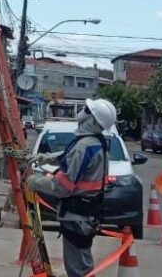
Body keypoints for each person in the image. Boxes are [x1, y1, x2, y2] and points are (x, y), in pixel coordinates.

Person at [27, 98, 117, 277]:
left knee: (78, 269)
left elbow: (62, 186)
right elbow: (73, 156)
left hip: (77, 216)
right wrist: (49, 157)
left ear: (91, 120)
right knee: (80, 264)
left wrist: (33, 181)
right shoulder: (96, 142)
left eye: (86, 110)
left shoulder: (84, 146)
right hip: (86, 215)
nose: (81, 113)